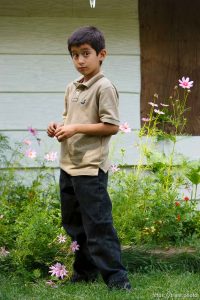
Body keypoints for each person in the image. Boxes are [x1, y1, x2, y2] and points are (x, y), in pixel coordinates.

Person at [47, 26, 131, 291]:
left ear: (101, 54)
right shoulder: (72, 88)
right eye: (74, 55)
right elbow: (68, 120)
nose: (80, 60)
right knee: (74, 225)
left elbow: (111, 126)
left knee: (98, 225)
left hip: (91, 169)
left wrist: (75, 128)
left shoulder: (104, 87)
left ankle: (118, 280)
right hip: (69, 166)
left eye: (86, 53)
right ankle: (85, 273)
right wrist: (58, 128)